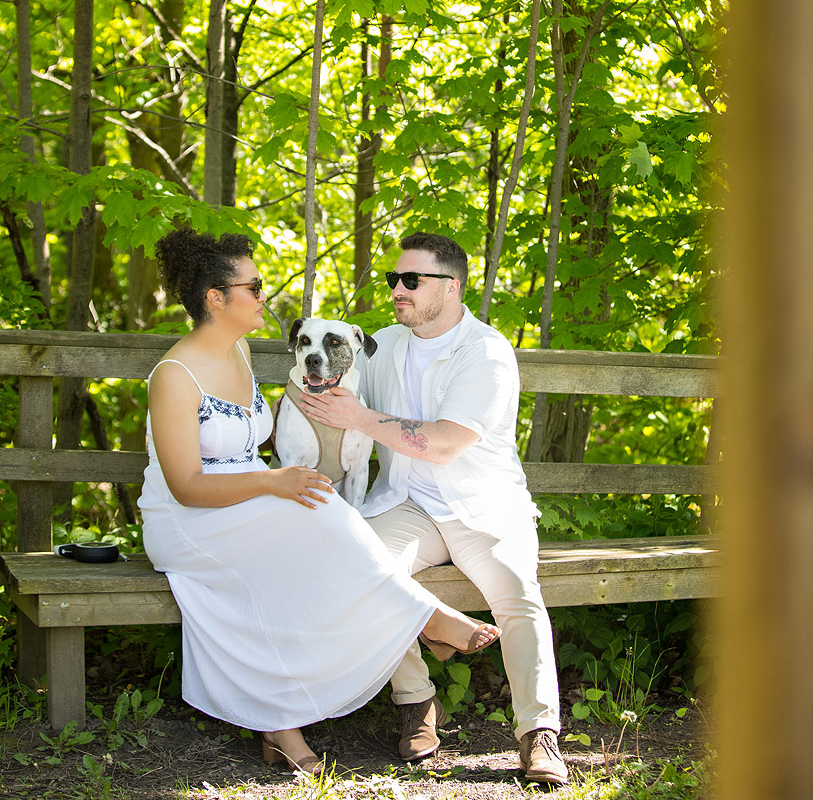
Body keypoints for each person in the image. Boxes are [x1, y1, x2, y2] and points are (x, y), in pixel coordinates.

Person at [138, 227, 500, 776]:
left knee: (322, 509)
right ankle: (423, 620)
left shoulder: (236, 351)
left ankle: (283, 723)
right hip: (190, 518)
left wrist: (278, 482)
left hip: (244, 502)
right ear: (216, 297)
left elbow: (251, 450)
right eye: (254, 287)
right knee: (314, 512)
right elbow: (187, 484)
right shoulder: (172, 375)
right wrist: (273, 483)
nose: (265, 296)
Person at [301, 231, 568, 786]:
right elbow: (329, 381)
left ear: (451, 288)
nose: (397, 290)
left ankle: (538, 735)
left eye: (411, 280)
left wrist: (361, 420)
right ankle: (417, 700)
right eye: (394, 280)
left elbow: (445, 443)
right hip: (407, 504)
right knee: (355, 570)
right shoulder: (384, 345)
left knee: (518, 594)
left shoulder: (485, 351)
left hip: (483, 510)